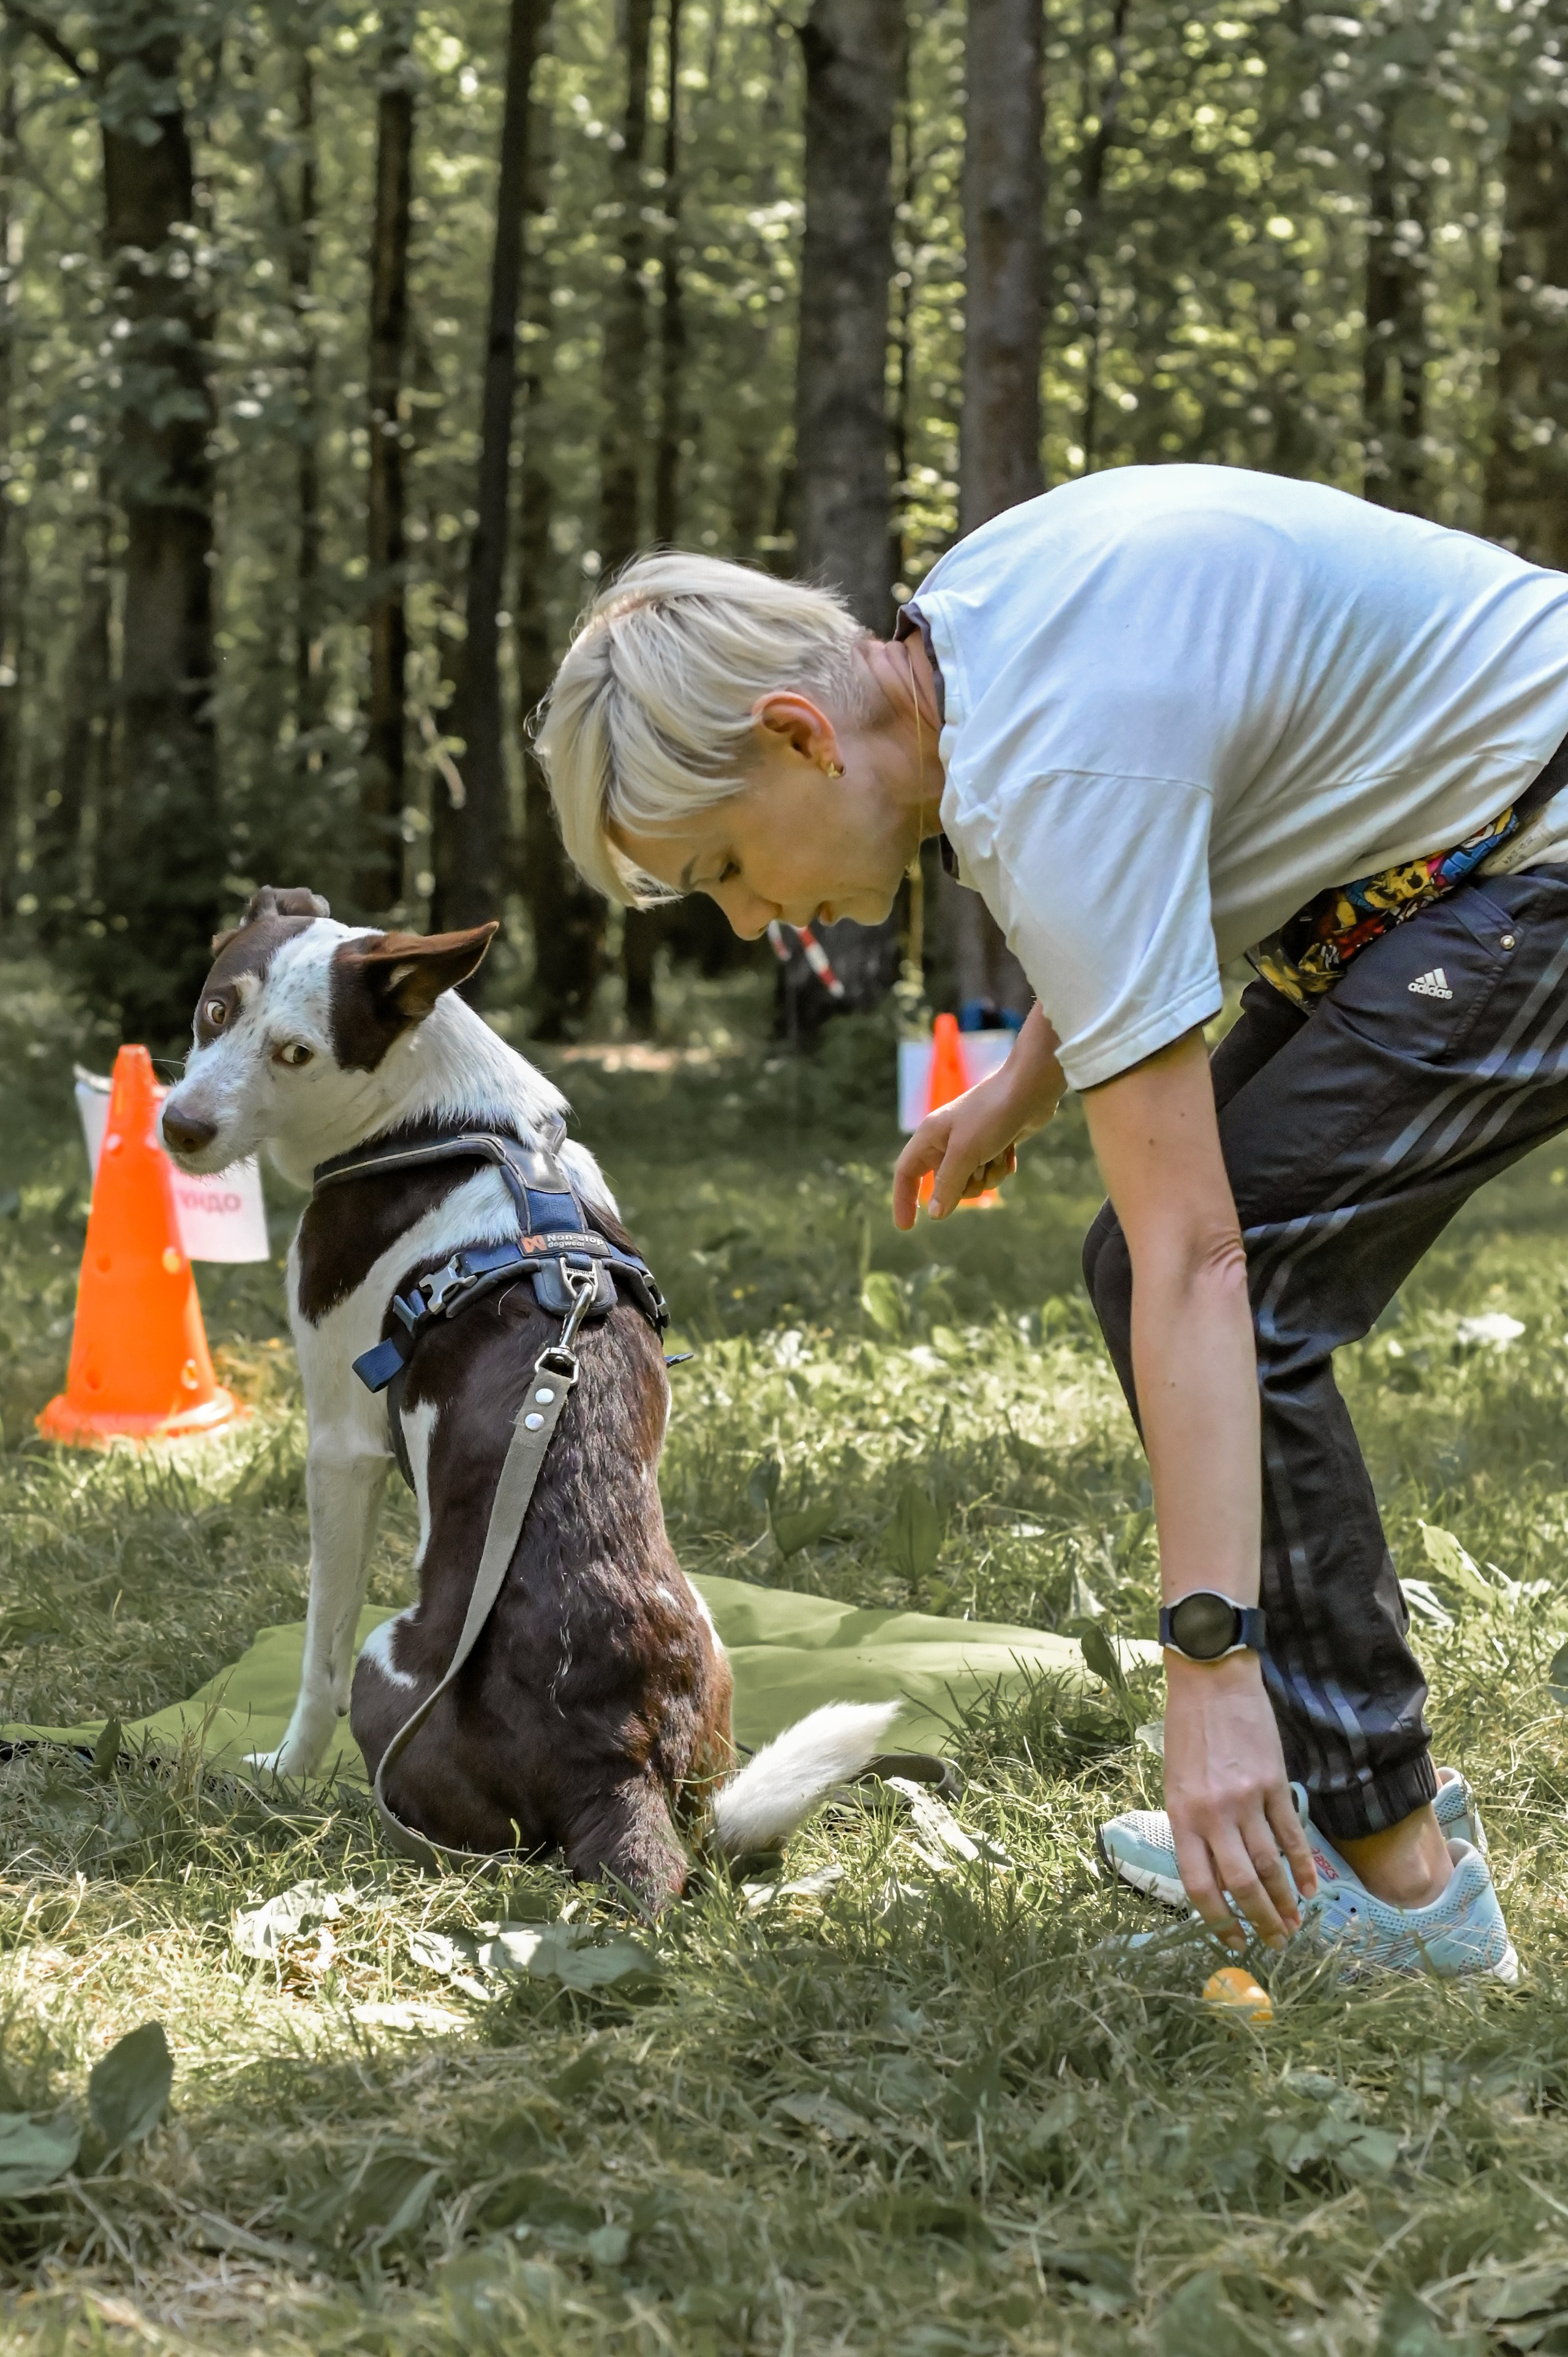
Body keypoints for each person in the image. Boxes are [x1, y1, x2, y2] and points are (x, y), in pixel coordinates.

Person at [536, 463, 1568, 1979]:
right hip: (1439, 862)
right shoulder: (976, 629)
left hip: (1530, 859)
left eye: (727, 871)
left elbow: (1202, 1260)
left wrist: (1206, 1674)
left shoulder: (1045, 772)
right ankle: (1328, 1812)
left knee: (1228, 1282)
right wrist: (1024, 1083)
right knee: (1135, 1263)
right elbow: (1164, 834)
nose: (753, 922)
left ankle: (1405, 1890)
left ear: (799, 735)